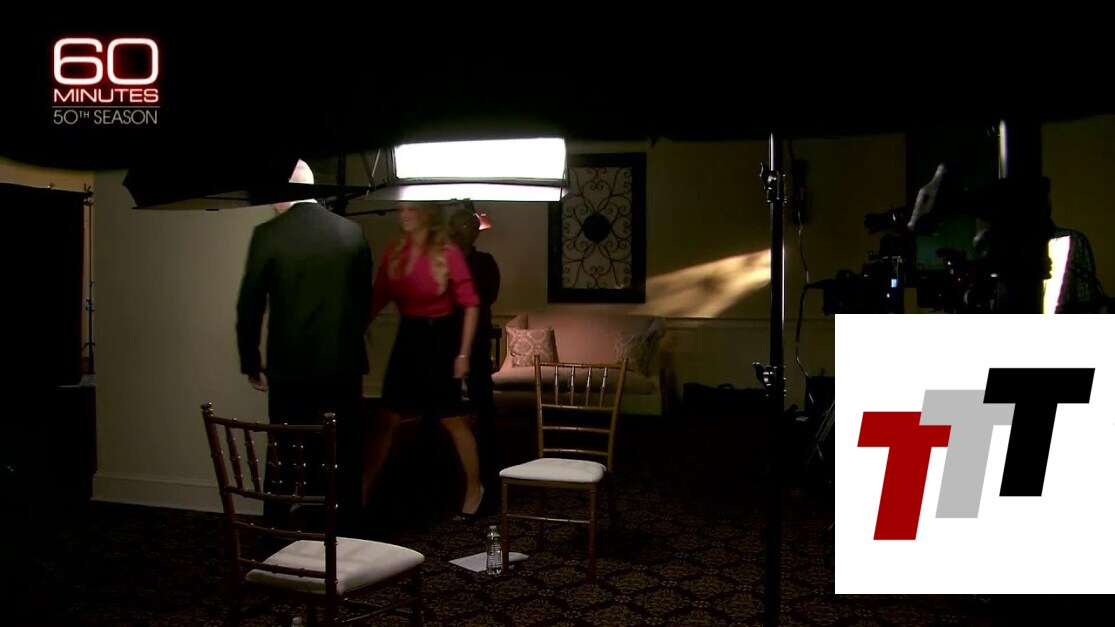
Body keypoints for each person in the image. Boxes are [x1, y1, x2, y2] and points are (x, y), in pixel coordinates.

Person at [235, 159, 373, 532]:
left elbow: (250, 305)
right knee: (342, 447)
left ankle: (277, 529)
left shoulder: (269, 234)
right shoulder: (351, 232)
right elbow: (363, 302)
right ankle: (344, 529)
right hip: (342, 364)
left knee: (284, 446)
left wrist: (251, 361)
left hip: (290, 365)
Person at [363, 202, 486, 520]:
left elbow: (471, 304)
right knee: (386, 418)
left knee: (452, 419)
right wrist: (353, 330)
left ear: (426, 214)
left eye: (412, 209)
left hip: (440, 338)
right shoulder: (395, 252)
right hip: (409, 337)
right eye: (401, 209)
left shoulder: (447, 252)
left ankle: (475, 488)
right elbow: (377, 297)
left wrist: (463, 354)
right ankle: (362, 492)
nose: (404, 215)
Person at [447, 205, 502, 502]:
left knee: (482, 396)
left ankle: (490, 457)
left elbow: (486, 297)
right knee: (445, 398)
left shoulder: (485, 262)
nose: (459, 231)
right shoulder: (444, 260)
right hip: (446, 339)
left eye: (466, 226)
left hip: (477, 338)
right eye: (455, 226)